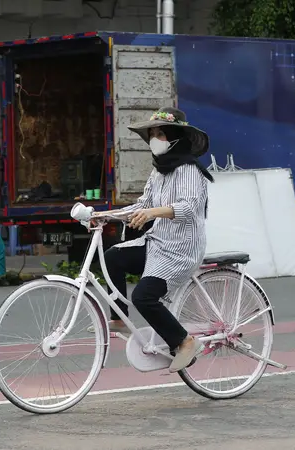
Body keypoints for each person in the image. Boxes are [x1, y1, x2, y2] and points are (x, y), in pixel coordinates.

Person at [91, 107, 215, 373]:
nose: (155, 139)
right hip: (158, 242)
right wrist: (104, 216)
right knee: (113, 256)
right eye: (153, 134)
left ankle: (184, 342)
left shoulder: (189, 171)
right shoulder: (159, 172)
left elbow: (189, 207)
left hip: (181, 250)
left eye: (161, 133)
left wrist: (153, 212)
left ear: (174, 137)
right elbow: (142, 205)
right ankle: (118, 319)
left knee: (144, 297)